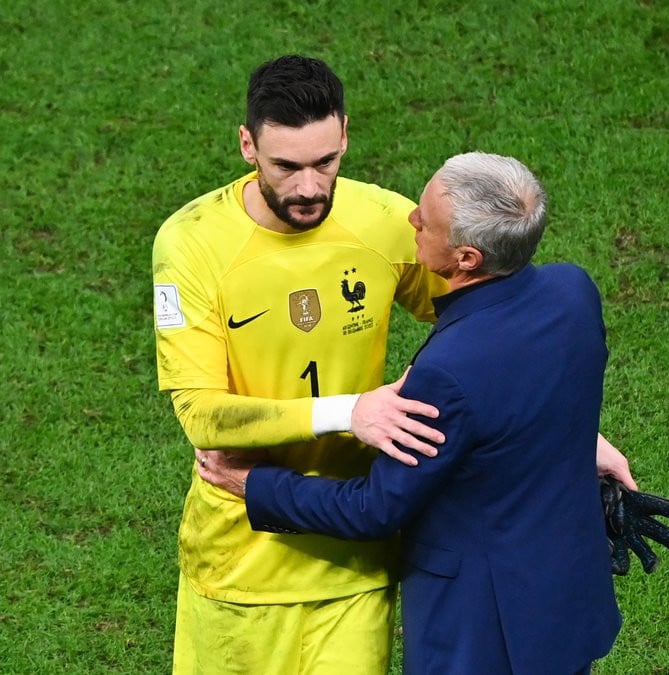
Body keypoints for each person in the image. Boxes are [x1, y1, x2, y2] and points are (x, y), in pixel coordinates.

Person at [203, 152, 627, 674]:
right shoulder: (573, 291)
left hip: (479, 631)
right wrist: (583, 441)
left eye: (424, 221)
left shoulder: (448, 372)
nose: (411, 222)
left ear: (467, 258)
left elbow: (375, 508)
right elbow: (539, 399)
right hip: (563, 607)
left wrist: (252, 484)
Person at [152, 55, 452, 674]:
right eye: (286, 166)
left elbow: (489, 328)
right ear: (247, 145)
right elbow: (202, 417)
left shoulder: (387, 223)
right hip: (238, 564)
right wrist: (352, 412)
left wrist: (576, 437)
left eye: (326, 162)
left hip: (353, 557)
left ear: (345, 134)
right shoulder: (191, 243)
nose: (310, 187)